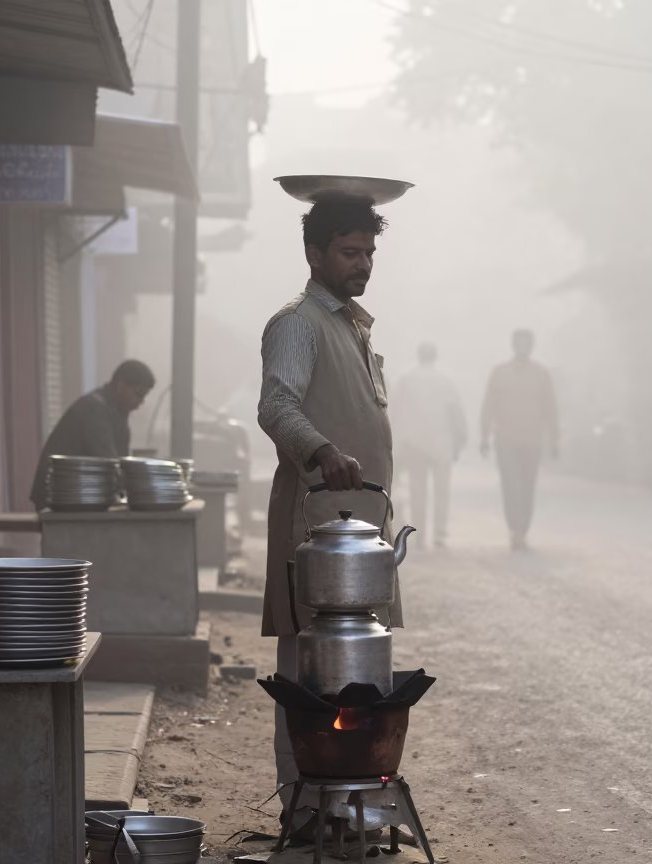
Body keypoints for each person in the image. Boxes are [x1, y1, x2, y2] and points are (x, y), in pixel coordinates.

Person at [257, 199, 400, 830]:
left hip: (362, 538)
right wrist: (320, 449)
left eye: (369, 252)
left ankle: (352, 808)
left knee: (358, 675)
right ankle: (306, 812)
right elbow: (276, 406)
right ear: (314, 255)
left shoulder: (354, 327)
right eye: (350, 252)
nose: (363, 264)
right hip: (314, 535)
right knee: (307, 679)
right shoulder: (298, 323)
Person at [29, 360, 156, 510]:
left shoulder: (116, 412)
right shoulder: (94, 410)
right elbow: (110, 462)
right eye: (138, 394)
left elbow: (120, 464)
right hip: (58, 497)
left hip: (78, 494)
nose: (140, 402)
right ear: (120, 386)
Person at [480, 330, 559, 550]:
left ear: (532, 346)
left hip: (532, 440)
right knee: (510, 485)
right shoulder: (500, 373)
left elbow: (550, 408)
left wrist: (555, 438)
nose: (523, 346)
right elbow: (488, 406)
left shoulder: (541, 374)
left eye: (527, 343)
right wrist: (485, 436)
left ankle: (523, 529)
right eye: (519, 342)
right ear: (513, 345)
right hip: (505, 439)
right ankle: (514, 528)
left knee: (527, 486)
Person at [392, 342, 466, 548]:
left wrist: (397, 442)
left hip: (414, 444)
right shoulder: (445, 380)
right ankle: (440, 532)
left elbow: (396, 411)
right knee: (442, 490)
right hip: (442, 443)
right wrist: (460, 438)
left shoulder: (406, 379)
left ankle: (420, 533)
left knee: (418, 490)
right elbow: (456, 413)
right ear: (435, 356)